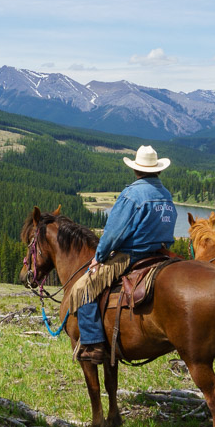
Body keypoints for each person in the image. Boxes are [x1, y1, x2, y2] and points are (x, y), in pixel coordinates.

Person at [74, 145, 177, 364]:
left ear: (136, 170)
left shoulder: (132, 194)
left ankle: (93, 344)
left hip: (133, 255)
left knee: (84, 287)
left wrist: (99, 257)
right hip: (162, 254)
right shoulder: (166, 194)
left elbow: (114, 233)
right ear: (157, 170)